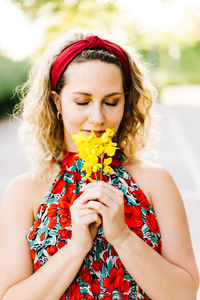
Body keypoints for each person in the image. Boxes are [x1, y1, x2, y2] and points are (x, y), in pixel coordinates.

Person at [0, 31, 199, 300]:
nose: (98, 118)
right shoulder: (24, 191)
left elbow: (184, 293)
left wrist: (123, 237)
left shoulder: (156, 181)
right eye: (82, 102)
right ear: (57, 101)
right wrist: (76, 247)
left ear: (126, 101)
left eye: (111, 101)